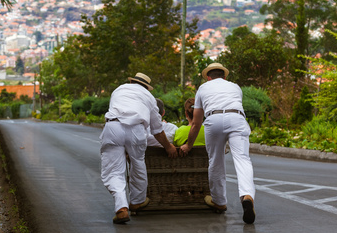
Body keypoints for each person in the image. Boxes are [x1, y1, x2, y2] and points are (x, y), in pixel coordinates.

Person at [179, 63, 256, 224]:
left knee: (215, 160)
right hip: (236, 118)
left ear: (208, 77)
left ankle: (219, 202)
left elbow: (196, 123)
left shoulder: (203, 88)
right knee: (242, 159)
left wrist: (189, 145)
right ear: (224, 76)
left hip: (213, 120)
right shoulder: (235, 87)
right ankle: (247, 195)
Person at [101, 73, 178, 224]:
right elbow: (157, 129)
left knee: (114, 170)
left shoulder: (119, 89)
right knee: (138, 164)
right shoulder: (149, 97)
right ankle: (136, 202)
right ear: (147, 87)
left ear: (132, 81)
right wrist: (168, 147)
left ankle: (121, 208)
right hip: (136, 130)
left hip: (113, 126)